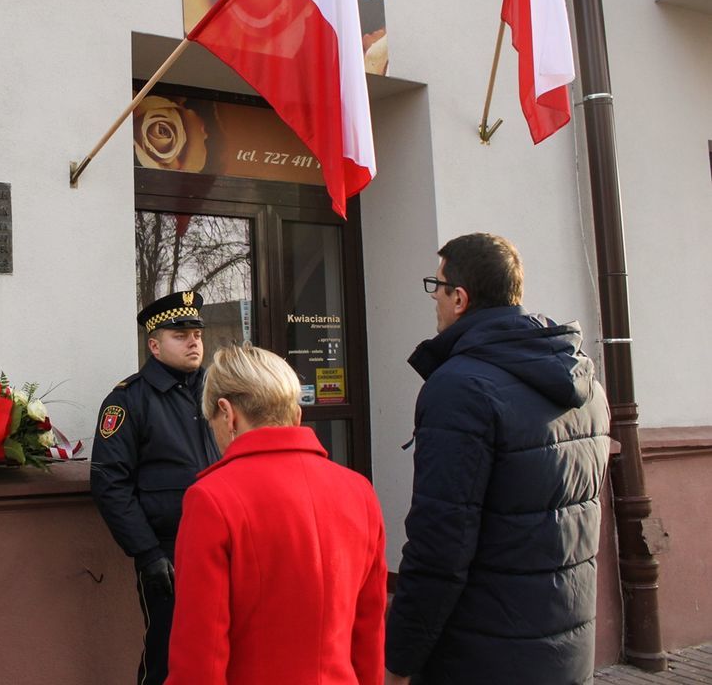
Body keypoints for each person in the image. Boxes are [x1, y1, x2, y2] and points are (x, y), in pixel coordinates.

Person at [385, 233, 611, 685]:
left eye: (438, 285)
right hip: (564, 649)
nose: (434, 299)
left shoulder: (459, 388)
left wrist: (399, 660)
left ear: (460, 298)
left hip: (480, 654)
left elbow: (440, 546)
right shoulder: (584, 385)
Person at [166, 345, 387, 684]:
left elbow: (200, 654)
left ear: (227, 414)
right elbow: (368, 634)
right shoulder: (359, 491)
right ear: (295, 415)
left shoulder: (212, 498)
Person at [90, 290, 221, 685]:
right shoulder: (128, 401)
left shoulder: (219, 393)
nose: (193, 341)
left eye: (196, 333)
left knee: (222, 653)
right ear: (154, 344)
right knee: (169, 658)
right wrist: (147, 553)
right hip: (169, 551)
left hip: (225, 541)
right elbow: (109, 482)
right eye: (180, 335)